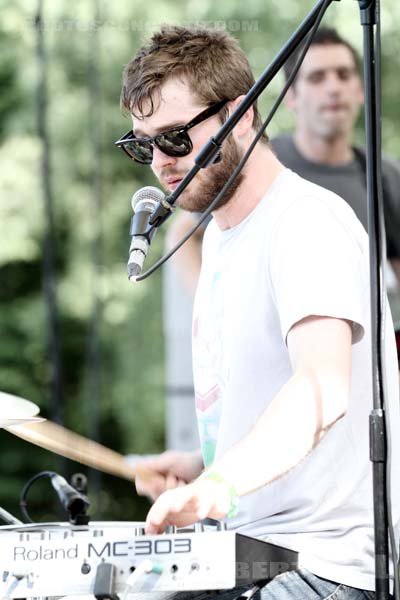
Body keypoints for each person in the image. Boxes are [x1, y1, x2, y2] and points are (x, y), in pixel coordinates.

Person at [116, 25, 400, 599]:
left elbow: (322, 389)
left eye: (175, 138)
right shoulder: (221, 236)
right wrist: (203, 465)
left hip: (325, 566)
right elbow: (270, 406)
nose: (162, 163)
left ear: (243, 115)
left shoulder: (304, 221)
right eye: (143, 144)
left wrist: (222, 483)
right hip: (248, 550)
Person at [165, 27, 400, 303]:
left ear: (361, 90)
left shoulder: (384, 174)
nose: (333, 87)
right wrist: (212, 307)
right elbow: (182, 236)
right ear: (291, 97)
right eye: (317, 78)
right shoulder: (262, 163)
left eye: (344, 75)